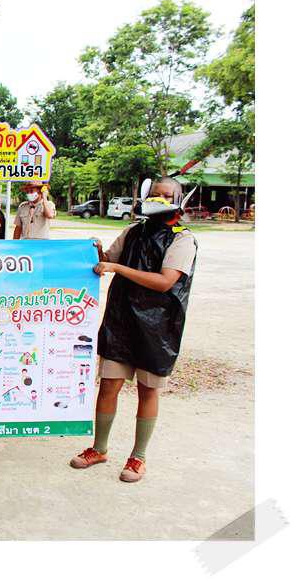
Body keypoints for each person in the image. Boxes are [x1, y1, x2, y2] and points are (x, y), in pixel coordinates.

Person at [69, 177, 198, 483]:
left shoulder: (183, 239)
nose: (160, 199)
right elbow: (107, 260)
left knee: (148, 390)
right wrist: (96, 251)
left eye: (167, 195)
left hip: (158, 328)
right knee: (108, 386)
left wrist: (116, 268)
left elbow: (165, 281)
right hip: (121, 321)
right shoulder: (133, 231)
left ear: (180, 201)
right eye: (155, 194)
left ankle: (138, 457)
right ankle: (99, 448)